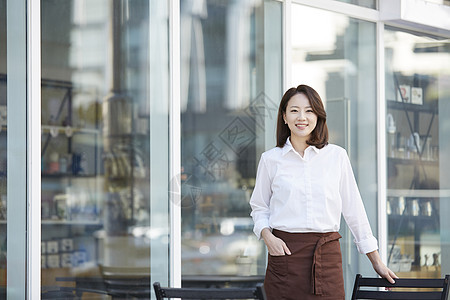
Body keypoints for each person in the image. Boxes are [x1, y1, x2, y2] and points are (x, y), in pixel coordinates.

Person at [249, 85, 397, 299]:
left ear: (318, 116)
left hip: (326, 257)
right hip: (284, 256)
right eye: (294, 110)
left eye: (309, 110)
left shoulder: (336, 156)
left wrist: (376, 261)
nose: (302, 117)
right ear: (284, 117)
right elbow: (259, 208)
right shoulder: (271, 160)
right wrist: (267, 237)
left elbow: (354, 210)